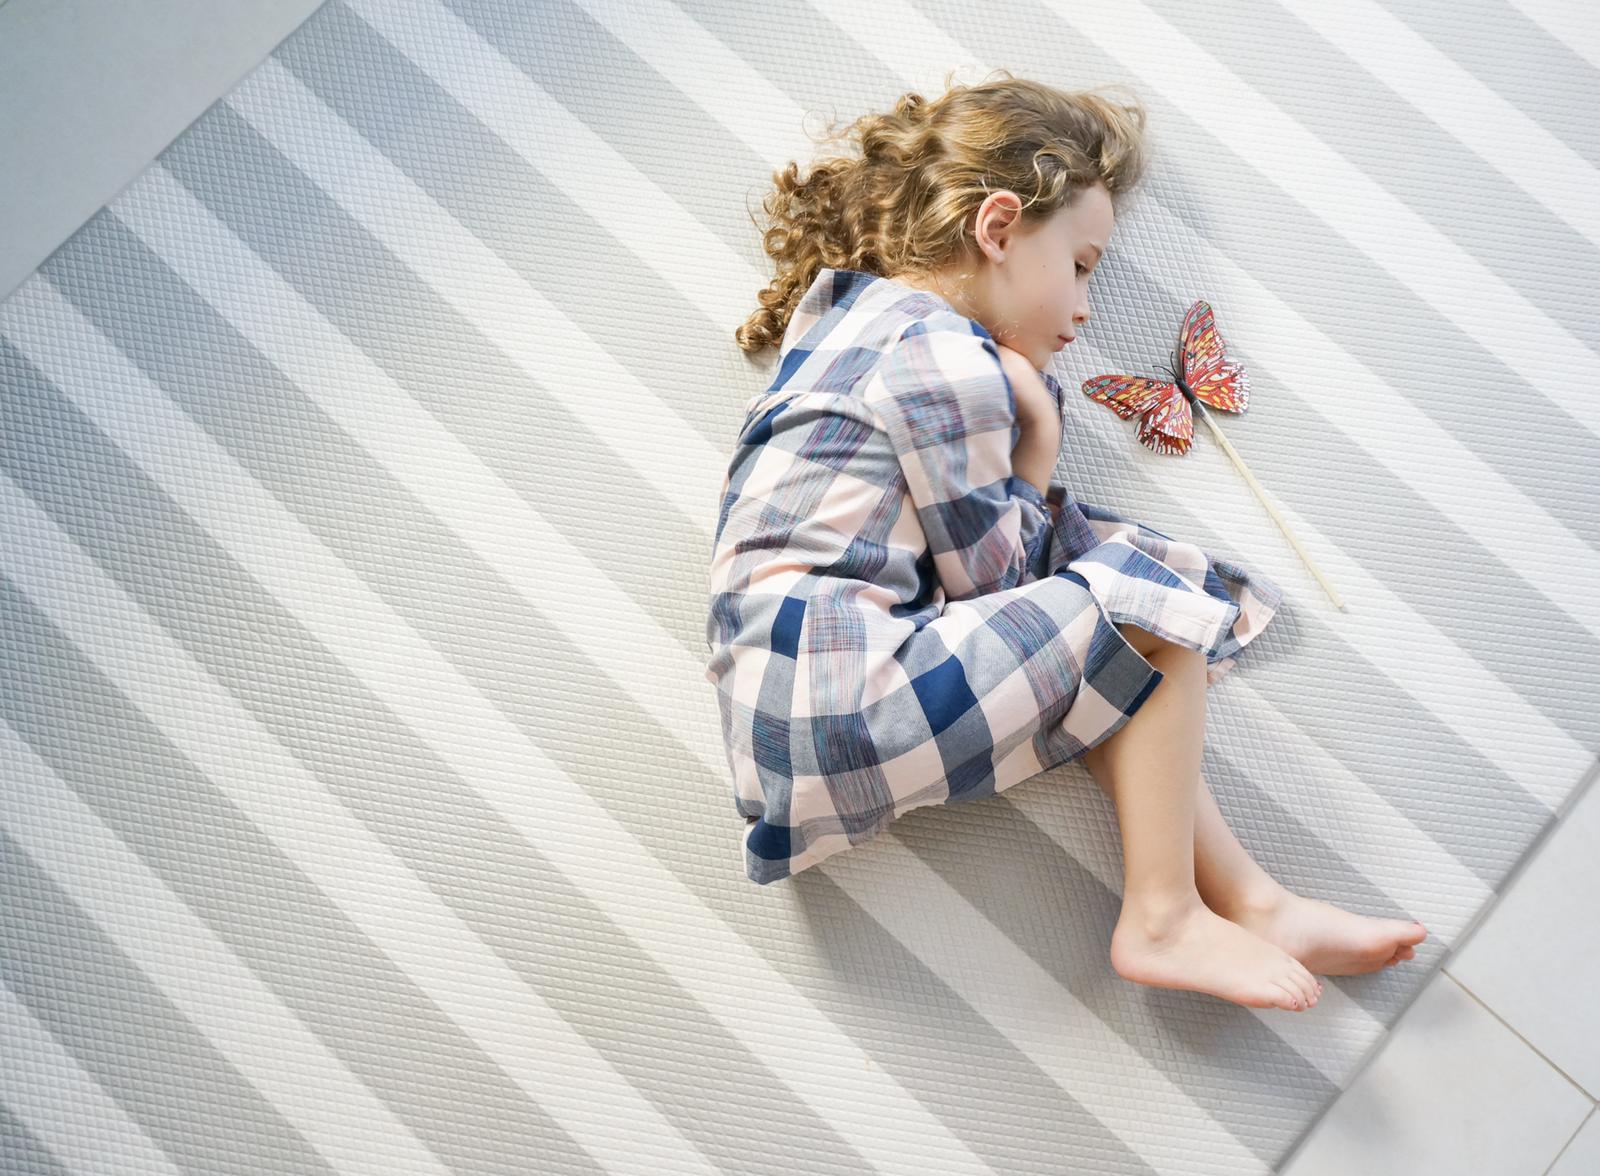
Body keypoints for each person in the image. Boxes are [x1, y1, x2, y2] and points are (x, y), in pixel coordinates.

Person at [710, 71, 1426, 1010]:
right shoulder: (940, 357)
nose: (1086, 310)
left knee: (1104, 628)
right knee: (1129, 595)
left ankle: (1253, 901)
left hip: (801, 724)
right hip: (844, 703)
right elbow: (994, 578)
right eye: (1082, 266)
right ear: (998, 228)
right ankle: (1163, 916)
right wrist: (1039, 437)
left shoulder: (854, 323)